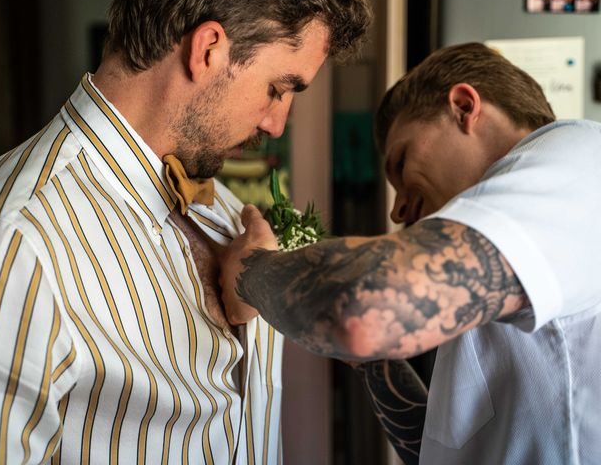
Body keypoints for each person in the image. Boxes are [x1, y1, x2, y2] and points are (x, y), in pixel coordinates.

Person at [0, 0, 370, 463]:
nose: (277, 123)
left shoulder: (229, 211)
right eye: (277, 89)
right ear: (208, 50)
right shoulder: (11, 239)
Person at [219, 42, 601, 464]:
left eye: (401, 164)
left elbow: (367, 308)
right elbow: (441, 453)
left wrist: (251, 270)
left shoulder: (582, 159)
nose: (397, 209)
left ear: (462, 106)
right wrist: (372, 362)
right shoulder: (500, 251)